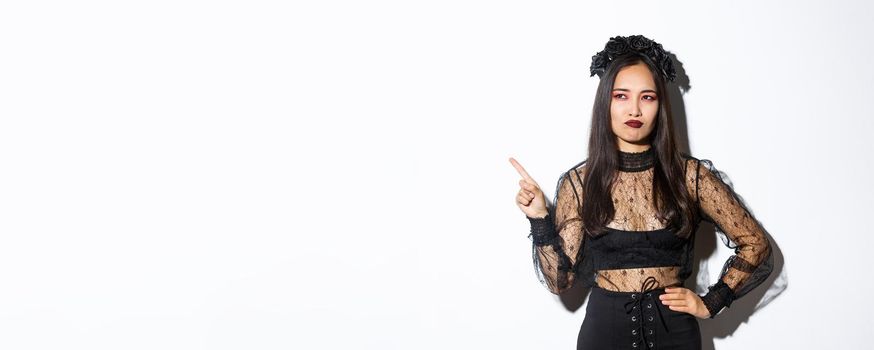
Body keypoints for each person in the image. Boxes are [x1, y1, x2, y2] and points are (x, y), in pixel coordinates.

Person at [508, 35, 774, 350]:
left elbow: (755, 244)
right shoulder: (580, 183)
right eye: (622, 96)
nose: (634, 109)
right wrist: (539, 217)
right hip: (603, 336)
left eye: (647, 97)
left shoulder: (690, 176)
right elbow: (559, 281)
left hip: (676, 336)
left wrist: (713, 301)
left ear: (660, 105)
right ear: (605, 102)